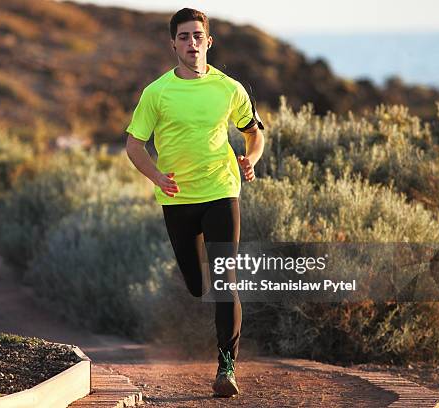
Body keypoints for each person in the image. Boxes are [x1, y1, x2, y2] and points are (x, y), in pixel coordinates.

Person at [125, 7, 265, 398]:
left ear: (209, 41)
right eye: (184, 37)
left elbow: (255, 133)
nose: (191, 43)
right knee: (195, 283)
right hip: (177, 198)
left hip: (221, 190)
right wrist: (156, 177)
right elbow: (134, 144)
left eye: (197, 36)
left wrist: (250, 160)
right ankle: (198, 282)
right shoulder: (157, 93)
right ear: (173, 44)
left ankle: (227, 367)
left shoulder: (229, 88)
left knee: (225, 282)